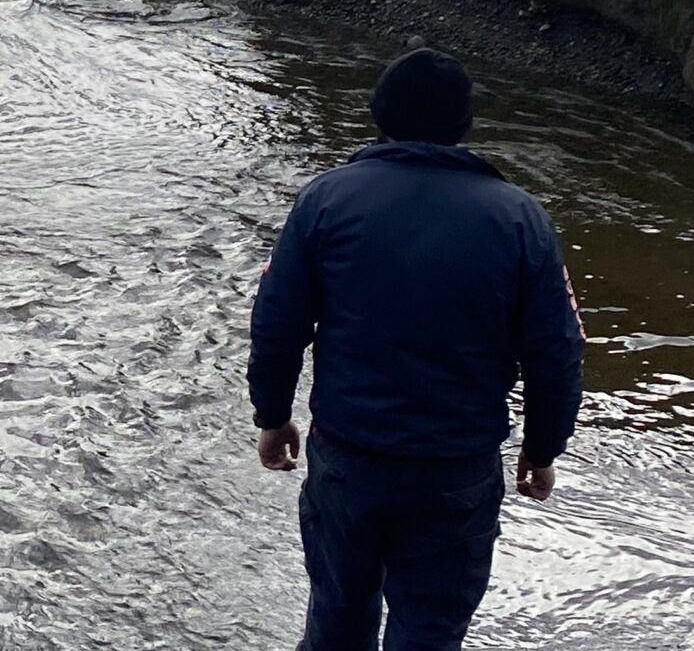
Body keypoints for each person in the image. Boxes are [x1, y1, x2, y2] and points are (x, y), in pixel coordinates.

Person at [249, 48, 585, 651]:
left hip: (348, 458)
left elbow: (277, 324)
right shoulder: (518, 217)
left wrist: (273, 417)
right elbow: (555, 352)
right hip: (456, 469)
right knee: (430, 633)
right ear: (464, 125)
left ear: (378, 115)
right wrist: (542, 446)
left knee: (335, 624)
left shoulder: (326, 201)